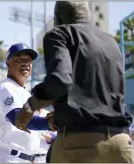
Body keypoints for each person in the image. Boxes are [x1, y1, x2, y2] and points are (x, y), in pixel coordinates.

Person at [15, 1, 134, 163]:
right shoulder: (111, 42)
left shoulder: (59, 34)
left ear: (57, 18)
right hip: (120, 145)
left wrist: (29, 107)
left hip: (79, 145)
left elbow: (59, 82)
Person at [0, 43, 53, 163]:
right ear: (8, 63)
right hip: (7, 157)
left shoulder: (25, 93)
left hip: (24, 158)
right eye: (19, 60)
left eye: (28, 61)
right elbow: (17, 118)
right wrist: (49, 123)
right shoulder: (5, 87)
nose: (25, 64)